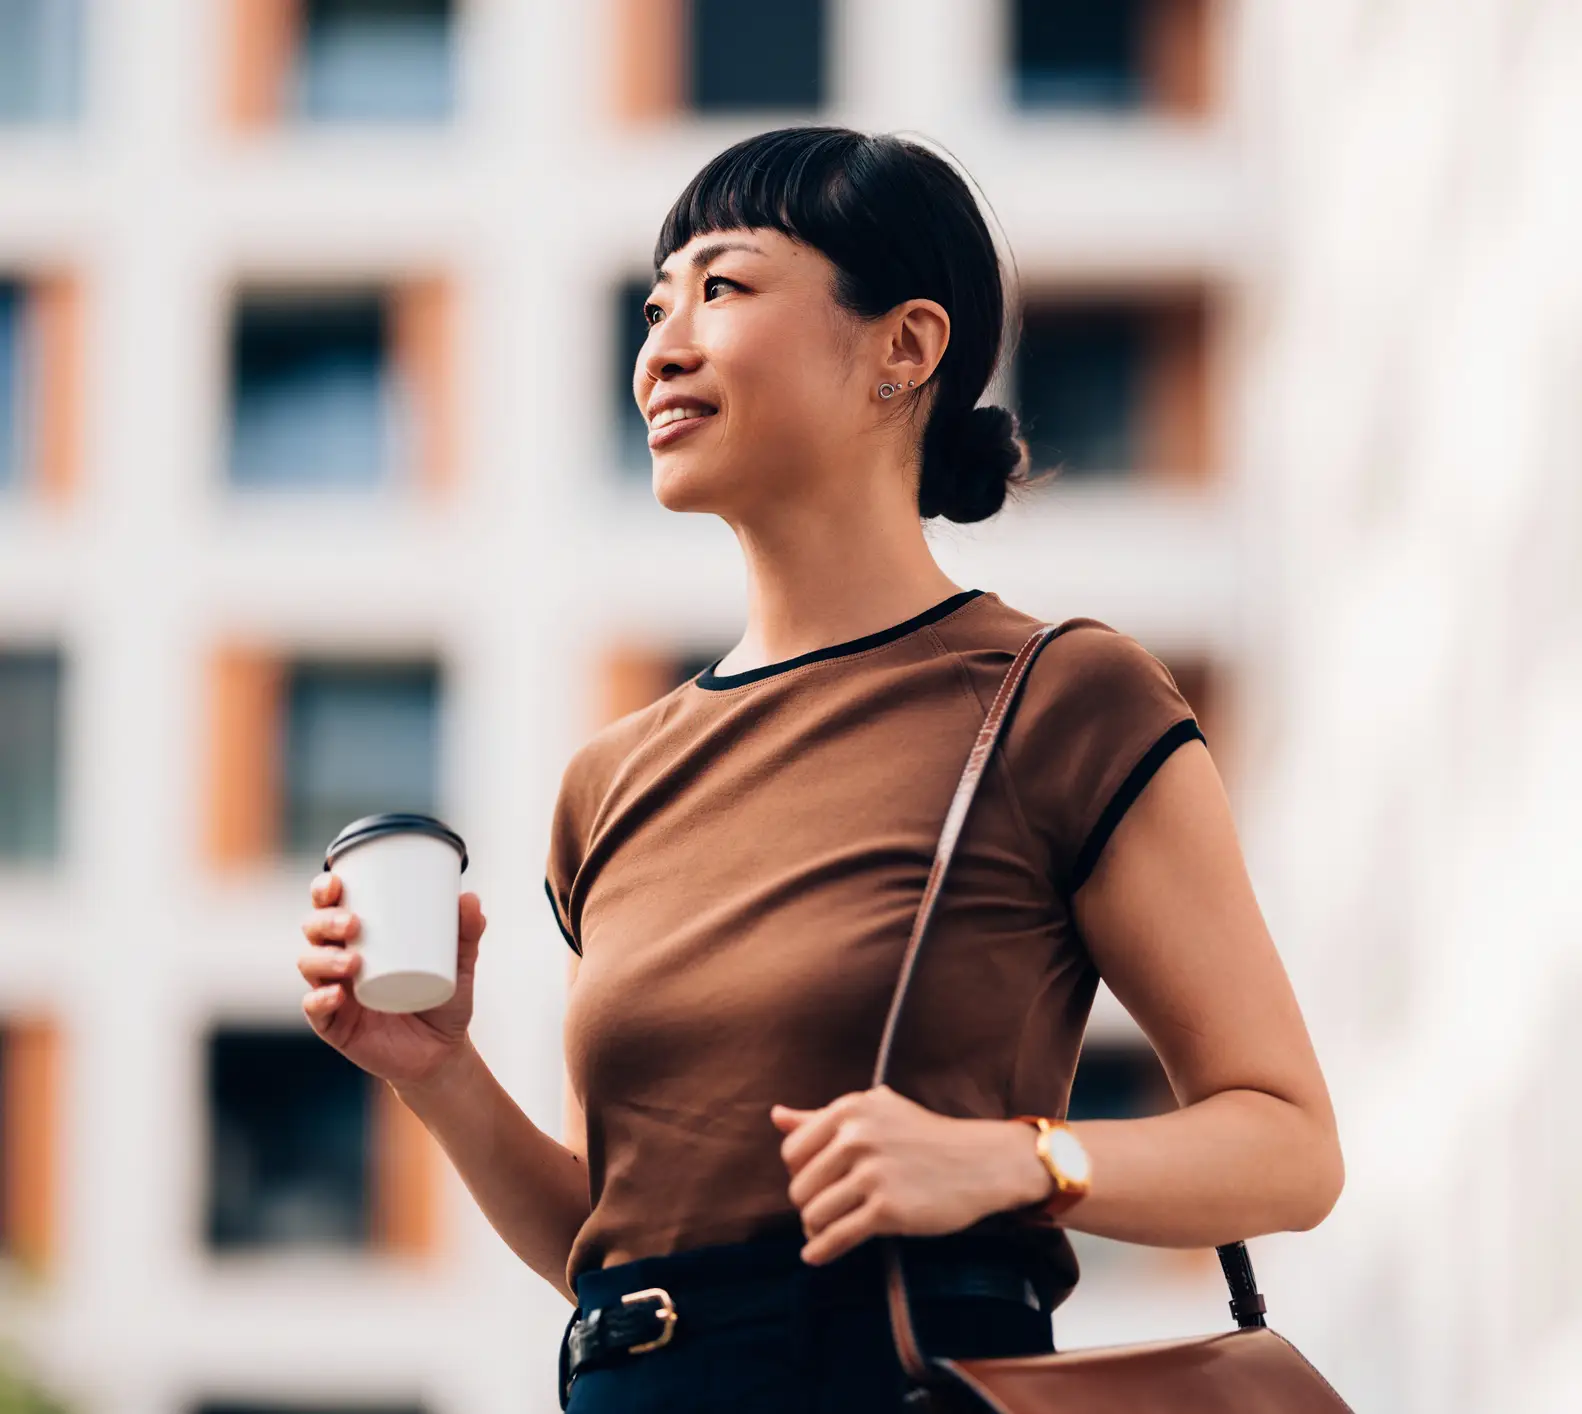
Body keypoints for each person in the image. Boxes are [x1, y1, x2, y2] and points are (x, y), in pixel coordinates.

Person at [294, 125, 1341, 1412]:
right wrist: (439, 1070)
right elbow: (620, 1249)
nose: (661, 349)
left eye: (722, 290)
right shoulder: (611, 782)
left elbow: (1289, 1147)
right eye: (653, 308)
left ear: (904, 346)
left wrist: (1013, 1162)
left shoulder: (1060, 697)